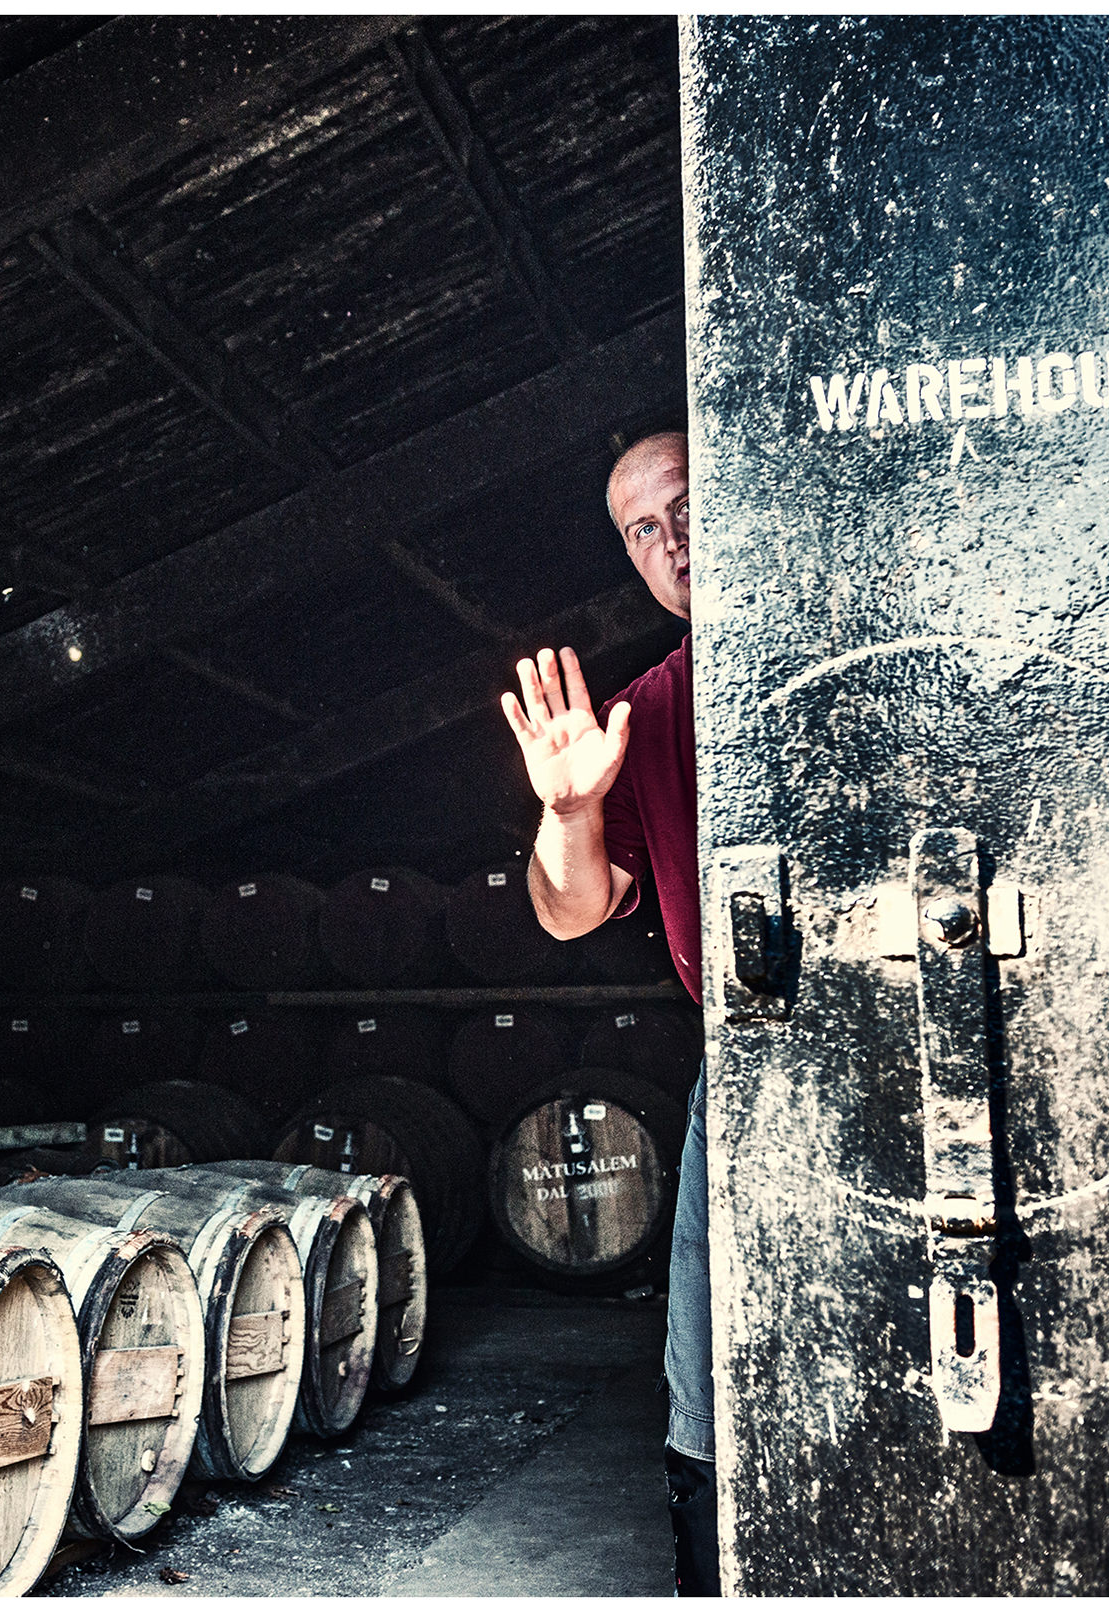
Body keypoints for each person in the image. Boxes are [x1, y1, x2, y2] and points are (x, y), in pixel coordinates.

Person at [498, 430, 717, 1595]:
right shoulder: (648, 711)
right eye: (643, 529)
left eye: (685, 505)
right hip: (746, 1066)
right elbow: (567, 909)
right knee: (708, 1393)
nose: (672, 542)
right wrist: (570, 810)